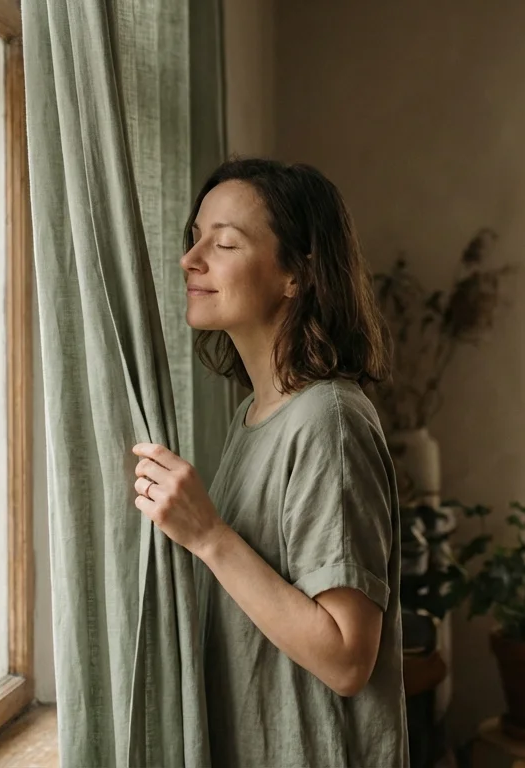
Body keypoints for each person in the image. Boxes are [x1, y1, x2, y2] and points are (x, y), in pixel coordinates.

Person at [130, 157, 408, 767]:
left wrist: (207, 535)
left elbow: (346, 659)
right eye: (194, 237)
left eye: (224, 242)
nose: (191, 259)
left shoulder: (327, 420)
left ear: (297, 276)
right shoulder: (256, 415)